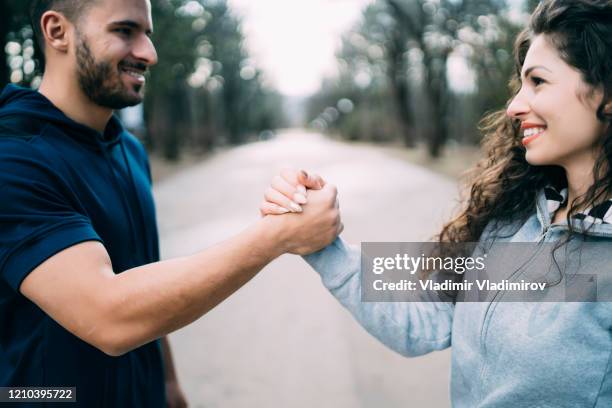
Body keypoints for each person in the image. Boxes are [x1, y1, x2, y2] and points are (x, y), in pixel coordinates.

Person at [261, 0, 612, 406]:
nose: (515, 106)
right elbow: (424, 320)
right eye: (520, 84)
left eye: (538, 82)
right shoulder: (515, 218)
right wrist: (321, 242)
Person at [0, 0, 342, 406]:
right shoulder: (13, 159)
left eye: (148, 34)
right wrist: (277, 235)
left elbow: (142, 273)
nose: (149, 53)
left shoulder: (128, 149)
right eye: (125, 31)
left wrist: (167, 383)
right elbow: (108, 314)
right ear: (57, 32)